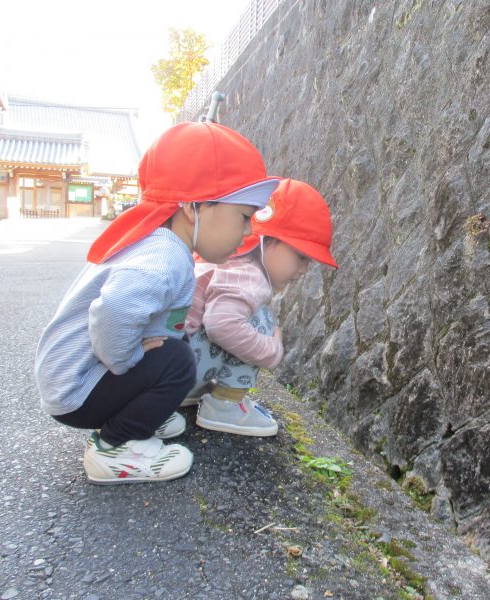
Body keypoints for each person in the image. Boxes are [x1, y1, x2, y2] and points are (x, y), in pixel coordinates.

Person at [34, 122, 280, 484]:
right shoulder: (165, 257)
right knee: (178, 361)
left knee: (173, 345)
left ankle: (141, 411)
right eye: (243, 216)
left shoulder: (158, 243)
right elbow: (114, 310)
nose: (247, 232)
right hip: (77, 390)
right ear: (194, 207)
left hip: (73, 380)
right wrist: (127, 361)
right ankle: (116, 447)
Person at [182, 178, 338, 436]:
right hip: (182, 363)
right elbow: (221, 324)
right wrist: (272, 350)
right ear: (267, 240)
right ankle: (225, 405)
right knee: (262, 321)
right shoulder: (249, 275)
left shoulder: (230, 260)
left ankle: (188, 391)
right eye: (300, 256)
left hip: (172, 363)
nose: (303, 270)